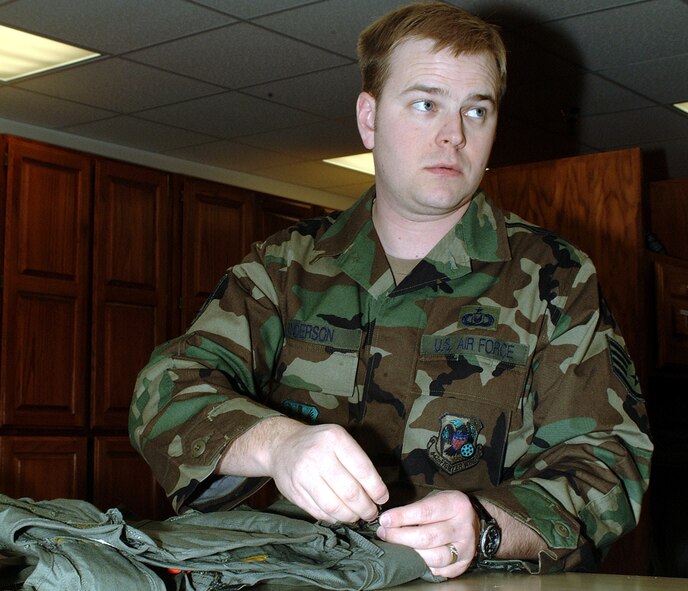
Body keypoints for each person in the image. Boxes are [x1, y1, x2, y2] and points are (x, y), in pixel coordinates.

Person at [129, 1, 652, 579]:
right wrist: (275, 444)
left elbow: (610, 462)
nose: (453, 135)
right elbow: (168, 387)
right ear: (370, 118)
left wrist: (488, 525)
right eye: (426, 103)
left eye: (476, 111)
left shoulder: (554, 277)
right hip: (294, 572)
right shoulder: (288, 265)